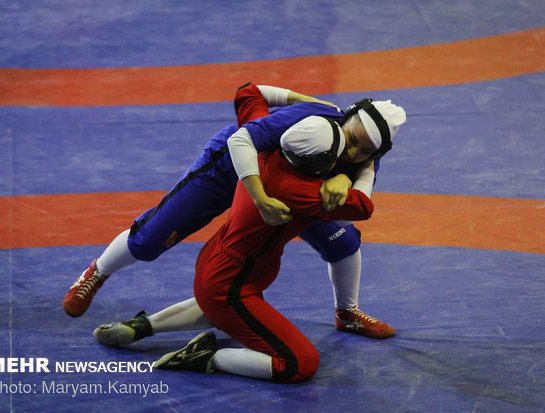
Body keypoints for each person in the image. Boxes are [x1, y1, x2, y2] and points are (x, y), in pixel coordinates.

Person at [63, 82, 406, 338]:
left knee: (343, 243)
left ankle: (347, 312)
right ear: (345, 117)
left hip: (289, 188)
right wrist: (258, 197)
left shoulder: (367, 161)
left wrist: (349, 179)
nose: (352, 150)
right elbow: (243, 131)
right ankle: (98, 270)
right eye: (353, 138)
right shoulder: (308, 117)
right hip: (230, 166)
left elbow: (353, 208)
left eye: (365, 151)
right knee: (152, 238)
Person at [94, 113, 392, 383]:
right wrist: (364, 165)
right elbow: (362, 206)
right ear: (320, 164)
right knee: (299, 364)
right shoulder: (303, 193)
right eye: (338, 155)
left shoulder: (263, 155)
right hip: (232, 283)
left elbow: (250, 99)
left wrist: (296, 106)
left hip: (222, 264)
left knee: (227, 308)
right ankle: (207, 356)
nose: (346, 157)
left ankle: (145, 326)